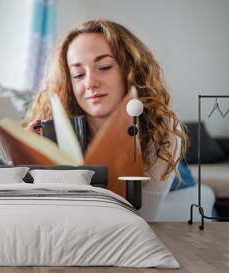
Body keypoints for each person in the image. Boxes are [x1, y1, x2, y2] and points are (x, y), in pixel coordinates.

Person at [24, 19, 188, 221]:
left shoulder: (163, 133)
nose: (90, 83)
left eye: (104, 66)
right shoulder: (55, 129)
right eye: (78, 74)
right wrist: (31, 168)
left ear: (131, 70)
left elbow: (141, 219)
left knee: (186, 179)